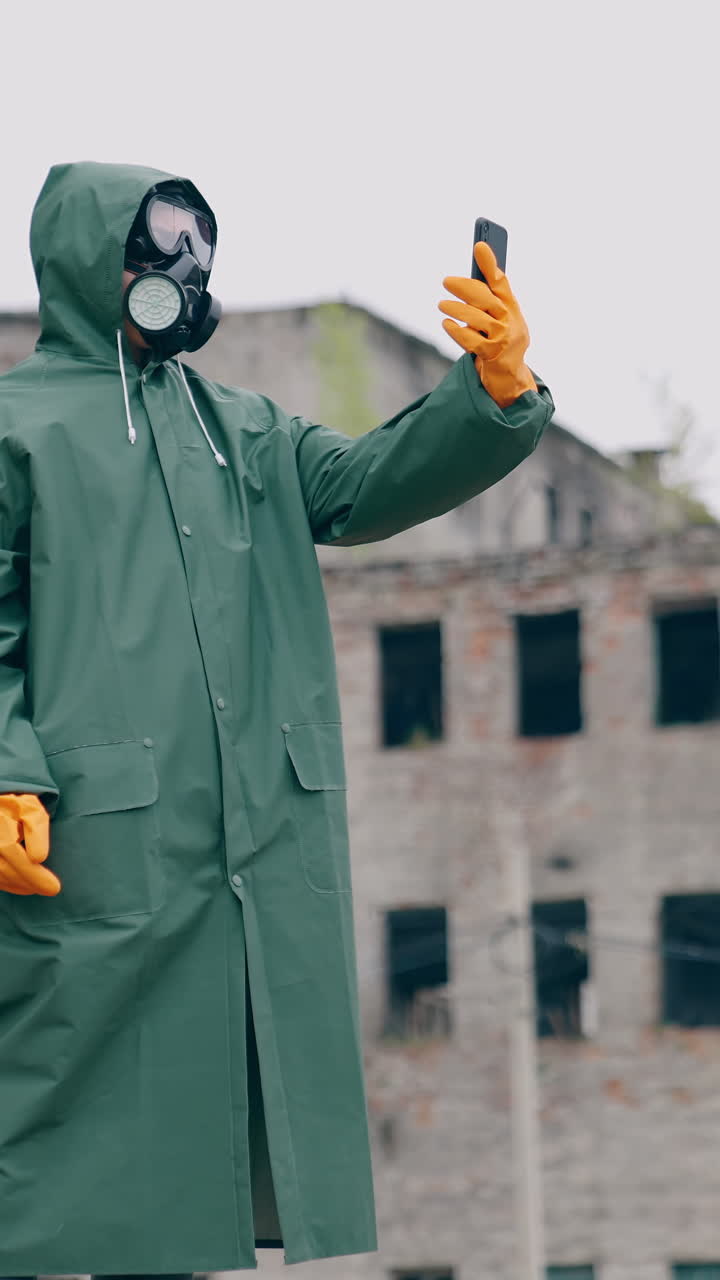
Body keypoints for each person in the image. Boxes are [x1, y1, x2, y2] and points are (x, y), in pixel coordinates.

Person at [0, 161, 554, 1279]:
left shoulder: (239, 429)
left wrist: (488, 390)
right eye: (155, 245)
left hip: (247, 847)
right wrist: (7, 767)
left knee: (193, 1165)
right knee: (69, 1147)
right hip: (93, 846)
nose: (182, 271)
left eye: (198, 248)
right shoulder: (21, 428)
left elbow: (362, 481)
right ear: (85, 259)